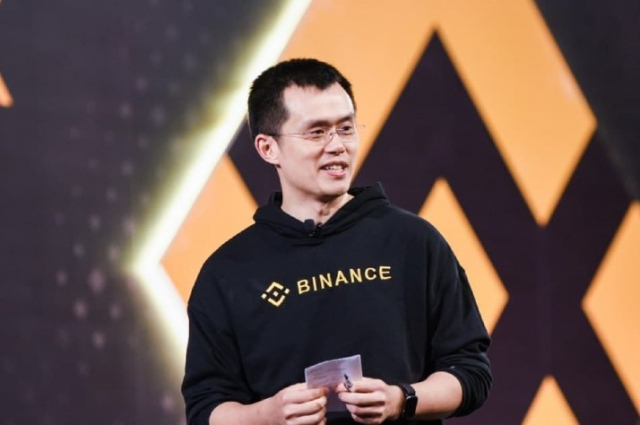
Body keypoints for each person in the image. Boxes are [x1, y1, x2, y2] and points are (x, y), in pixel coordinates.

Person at [181, 58, 491, 425]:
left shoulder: (414, 242)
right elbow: (206, 409)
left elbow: (470, 371)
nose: (337, 146)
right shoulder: (228, 272)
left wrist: (400, 399)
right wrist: (268, 415)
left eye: (345, 128)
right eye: (316, 133)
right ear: (268, 148)